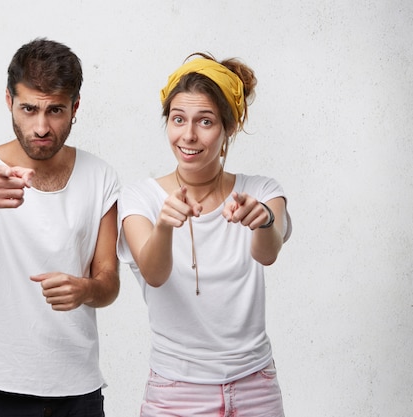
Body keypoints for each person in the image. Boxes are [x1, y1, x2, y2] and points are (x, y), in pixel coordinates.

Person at [0, 38, 120, 417]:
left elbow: (108, 282)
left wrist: (84, 288)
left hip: (79, 389)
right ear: (9, 101)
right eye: (28, 109)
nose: (41, 126)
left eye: (55, 110)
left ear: (75, 107)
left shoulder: (101, 175)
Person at [117, 53, 292, 416]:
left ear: (228, 128)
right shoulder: (140, 198)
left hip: (255, 386)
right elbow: (154, 273)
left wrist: (262, 221)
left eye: (205, 121)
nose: (189, 135)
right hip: (175, 392)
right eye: (178, 119)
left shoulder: (261, 190)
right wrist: (164, 225)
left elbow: (268, 251)